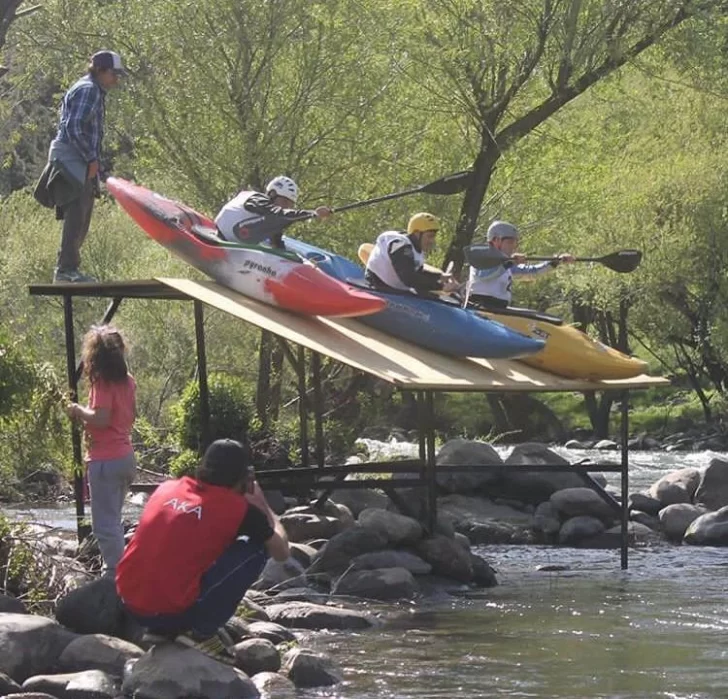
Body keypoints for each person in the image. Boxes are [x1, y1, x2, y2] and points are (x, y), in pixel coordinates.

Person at [116, 438, 289, 665]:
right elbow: (281, 552)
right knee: (257, 548)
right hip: (166, 612)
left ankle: (163, 629)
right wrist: (263, 506)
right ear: (243, 479)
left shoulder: (168, 488)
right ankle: (199, 632)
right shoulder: (238, 509)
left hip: (130, 603)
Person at [34, 50, 128, 283]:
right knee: (77, 212)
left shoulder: (90, 89)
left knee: (81, 213)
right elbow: (74, 128)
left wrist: (97, 165)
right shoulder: (89, 90)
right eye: (114, 74)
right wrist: (91, 159)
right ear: (101, 70)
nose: (116, 79)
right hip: (72, 158)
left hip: (75, 157)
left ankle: (68, 269)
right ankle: (66, 271)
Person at [66, 324, 137, 576]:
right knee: (113, 519)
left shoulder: (102, 383)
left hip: (106, 460)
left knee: (105, 525)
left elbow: (101, 418)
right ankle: (119, 569)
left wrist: (77, 410)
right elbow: (131, 416)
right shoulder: (128, 382)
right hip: (125, 457)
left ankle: (115, 576)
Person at [466, 220, 574, 308]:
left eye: (515, 242)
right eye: (510, 242)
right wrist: (509, 262)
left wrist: (554, 262)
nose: (514, 246)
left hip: (499, 310)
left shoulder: (507, 265)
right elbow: (486, 275)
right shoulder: (481, 259)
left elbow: (532, 272)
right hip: (480, 308)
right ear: (496, 240)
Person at [214, 175, 332, 249]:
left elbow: (276, 242)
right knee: (278, 217)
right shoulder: (258, 200)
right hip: (223, 237)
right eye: (284, 201)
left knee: (279, 220)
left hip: (236, 242)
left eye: (289, 204)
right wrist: (313, 213)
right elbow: (278, 214)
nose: (287, 207)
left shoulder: (271, 220)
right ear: (272, 194)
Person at [365, 212, 459, 294]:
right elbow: (409, 277)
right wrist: (440, 287)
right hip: (377, 285)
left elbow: (418, 271)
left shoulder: (416, 248)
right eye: (429, 236)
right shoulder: (400, 244)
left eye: (433, 237)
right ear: (417, 233)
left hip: (394, 290)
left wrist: (440, 276)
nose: (432, 241)